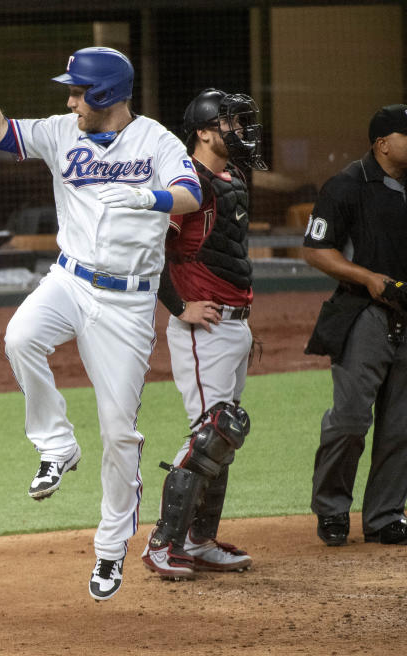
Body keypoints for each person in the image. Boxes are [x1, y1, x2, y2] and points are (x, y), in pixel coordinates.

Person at [0, 17, 201, 601]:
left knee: (120, 433)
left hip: (128, 304)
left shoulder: (158, 142)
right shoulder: (61, 132)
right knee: (21, 338)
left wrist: (150, 195)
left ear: (108, 97)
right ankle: (56, 444)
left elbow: (191, 195)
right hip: (69, 281)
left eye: (78, 92)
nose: (70, 100)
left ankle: (111, 550)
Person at [140, 89, 268, 581]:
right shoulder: (187, 182)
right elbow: (152, 251)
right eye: (230, 123)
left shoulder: (230, 178)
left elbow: (227, 257)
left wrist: (243, 317)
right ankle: (162, 544)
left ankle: (199, 539)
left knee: (225, 437)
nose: (239, 130)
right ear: (203, 130)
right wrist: (180, 306)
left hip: (232, 325)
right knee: (212, 433)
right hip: (202, 329)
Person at [303, 103, 407, 547]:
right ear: (383, 144)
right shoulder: (347, 185)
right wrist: (368, 277)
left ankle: (385, 516)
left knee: (403, 425)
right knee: (349, 419)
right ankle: (332, 510)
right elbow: (315, 249)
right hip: (363, 314)